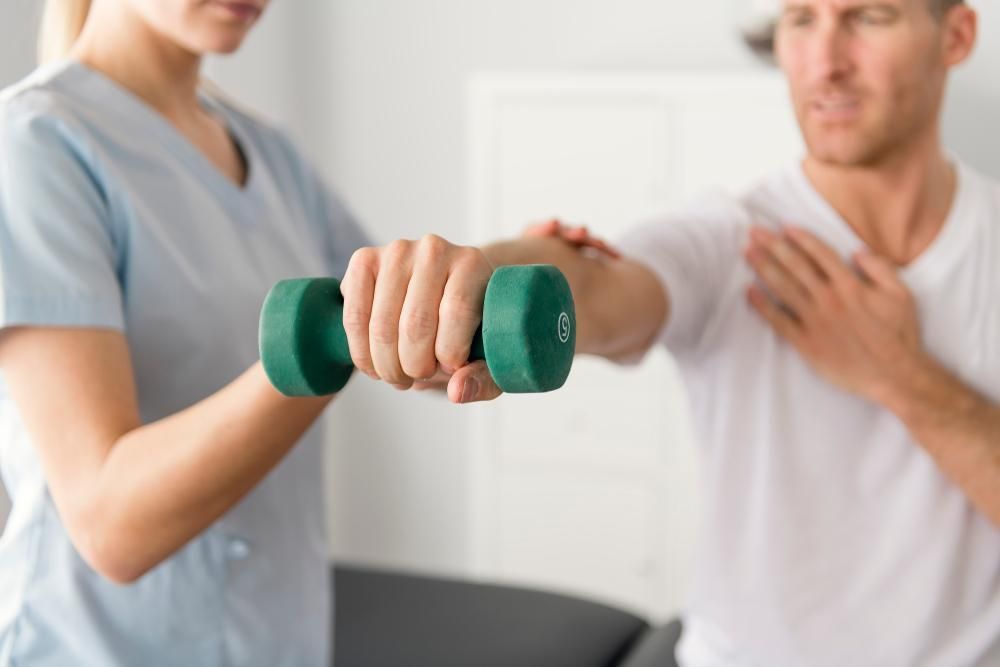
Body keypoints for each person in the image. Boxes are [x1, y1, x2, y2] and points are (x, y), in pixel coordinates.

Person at [341, 0, 1000, 664]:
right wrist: (471, 287)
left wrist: (900, 375)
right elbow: (598, 288)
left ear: (956, 34)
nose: (824, 64)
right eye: (801, 20)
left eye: (868, 17)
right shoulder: (727, 236)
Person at [0, 1, 373, 664]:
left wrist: (515, 262)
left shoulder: (269, 151)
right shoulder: (32, 141)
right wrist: (319, 349)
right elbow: (109, 522)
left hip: (275, 637)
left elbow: (398, 312)